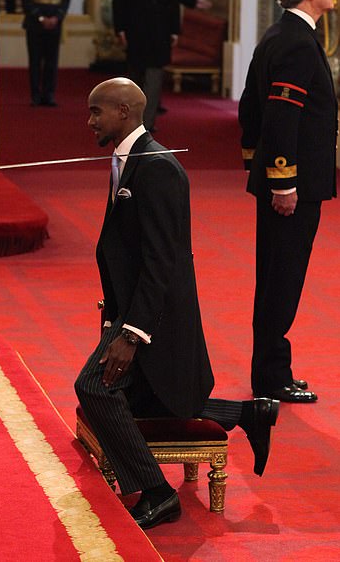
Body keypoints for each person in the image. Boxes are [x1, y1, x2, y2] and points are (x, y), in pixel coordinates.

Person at [75, 77, 279, 529]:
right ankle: (247, 413)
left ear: (125, 113)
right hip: (128, 313)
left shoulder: (158, 168)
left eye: (96, 111)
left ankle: (157, 492)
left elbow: (162, 261)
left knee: (94, 388)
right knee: (148, 397)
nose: (89, 121)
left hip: (155, 322)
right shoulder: (130, 161)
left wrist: (131, 334)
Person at [239, 0, 337, 403]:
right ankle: (271, 379)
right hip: (293, 187)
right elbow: (280, 115)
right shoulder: (296, 42)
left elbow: (248, 105)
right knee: (283, 278)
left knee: (277, 276)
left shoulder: (280, 34)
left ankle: (273, 371)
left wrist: (253, 162)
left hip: (286, 180)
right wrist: (282, 181)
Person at [112, 0, 180, 131]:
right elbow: (173, 2)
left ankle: (132, 121)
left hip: (135, 32)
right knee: (154, 78)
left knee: (134, 77)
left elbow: (118, 1)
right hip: (159, 32)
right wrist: (175, 30)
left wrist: (120, 29)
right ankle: (147, 123)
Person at [21, 0, 71, 107]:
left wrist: (57, 17)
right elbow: (26, 0)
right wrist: (41, 18)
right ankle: (35, 95)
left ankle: (49, 95)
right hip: (35, 25)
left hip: (55, 24)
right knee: (35, 62)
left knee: (51, 62)